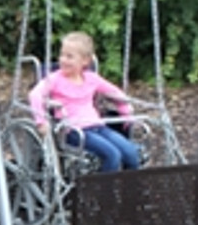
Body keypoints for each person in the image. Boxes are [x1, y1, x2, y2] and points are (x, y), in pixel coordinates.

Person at [28, 31, 141, 172]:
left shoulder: (92, 78)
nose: (63, 60)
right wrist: (41, 122)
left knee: (131, 153)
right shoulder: (54, 79)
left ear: (85, 61)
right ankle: (103, 192)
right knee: (112, 156)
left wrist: (125, 111)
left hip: (98, 126)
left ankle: (129, 187)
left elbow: (115, 93)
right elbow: (35, 95)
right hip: (73, 131)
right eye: (62, 55)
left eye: (70, 56)